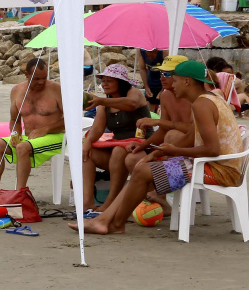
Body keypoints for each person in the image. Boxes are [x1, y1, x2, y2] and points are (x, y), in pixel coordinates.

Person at [72, 60, 243, 235]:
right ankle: (106, 220)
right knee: (141, 169)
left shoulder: (201, 104)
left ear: (187, 81)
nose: (171, 84)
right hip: (216, 165)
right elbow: (192, 136)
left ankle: (113, 223)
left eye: (174, 80)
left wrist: (173, 151)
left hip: (219, 171)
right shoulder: (209, 99)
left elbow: (212, 150)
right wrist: (158, 152)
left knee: (141, 172)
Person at [0, 58, 65, 203]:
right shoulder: (17, 91)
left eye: (44, 78)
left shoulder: (56, 89)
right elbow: (14, 120)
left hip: (56, 136)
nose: (41, 82)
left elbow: (71, 120)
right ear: (26, 74)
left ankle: (19, 194)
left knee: (23, 147)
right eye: (36, 79)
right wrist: (15, 135)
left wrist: (46, 129)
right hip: (29, 138)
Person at [124, 55, 192, 214]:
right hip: (170, 148)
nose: (162, 78)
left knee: (172, 136)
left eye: (167, 74)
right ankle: (153, 201)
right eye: (160, 73)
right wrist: (143, 145)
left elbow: (193, 131)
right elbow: (163, 130)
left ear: (184, 78)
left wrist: (159, 124)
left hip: (191, 153)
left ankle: (158, 195)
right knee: (132, 157)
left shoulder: (196, 98)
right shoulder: (166, 95)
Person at [81, 64, 154, 211]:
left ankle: (111, 202)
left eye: (109, 80)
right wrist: (87, 142)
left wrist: (101, 101)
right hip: (120, 150)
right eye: (103, 81)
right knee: (86, 154)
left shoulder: (134, 93)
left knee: (118, 150)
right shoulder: (104, 104)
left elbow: (131, 104)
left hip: (143, 147)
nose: (105, 84)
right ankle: (87, 201)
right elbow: (97, 128)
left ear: (120, 82)